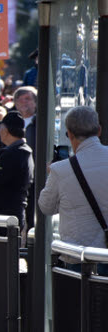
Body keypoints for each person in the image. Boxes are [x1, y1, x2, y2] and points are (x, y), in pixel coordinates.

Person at [41, 107, 108, 258]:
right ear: (99, 130)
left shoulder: (60, 170)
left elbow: (46, 207)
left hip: (80, 257)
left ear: (70, 134)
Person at [0, 111, 33, 232]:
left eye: (0, 127)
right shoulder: (24, 151)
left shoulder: (14, 153)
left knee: (2, 250)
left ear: (5, 130)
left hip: (5, 216)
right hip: (14, 213)